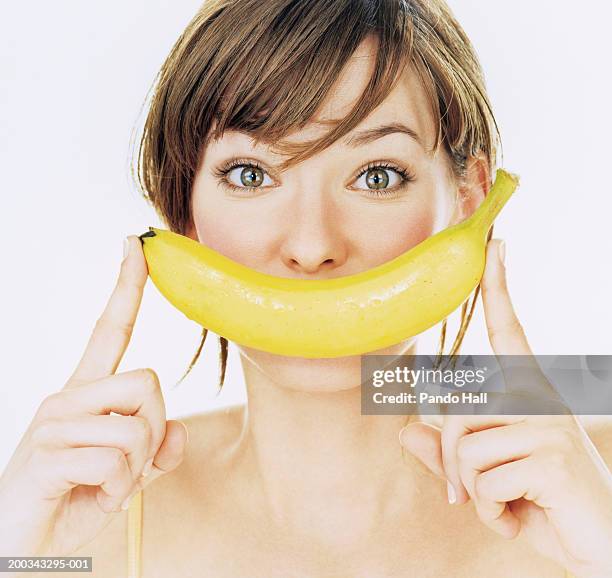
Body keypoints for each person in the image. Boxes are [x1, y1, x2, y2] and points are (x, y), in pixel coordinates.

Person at [1, 1, 611, 577]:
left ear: (468, 204)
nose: (312, 245)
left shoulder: (591, 491)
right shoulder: (82, 522)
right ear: (182, 216)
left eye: (376, 176)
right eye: (251, 174)